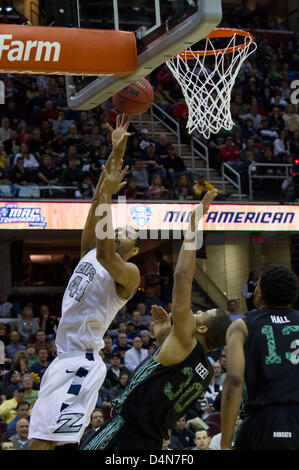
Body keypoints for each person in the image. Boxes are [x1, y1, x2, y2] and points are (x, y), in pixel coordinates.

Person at [81, 190, 232, 450]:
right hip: (150, 442)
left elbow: (183, 275)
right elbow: (166, 382)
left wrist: (194, 223)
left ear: (203, 328)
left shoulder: (186, 339)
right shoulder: (205, 373)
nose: (194, 314)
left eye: (200, 315)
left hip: (125, 433)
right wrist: (164, 337)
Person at [28, 114, 141, 450]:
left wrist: (108, 199)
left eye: (129, 233)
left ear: (133, 251)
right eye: (120, 227)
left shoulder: (127, 273)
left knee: (39, 443)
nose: (122, 229)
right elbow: (96, 202)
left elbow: (108, 253)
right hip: (63, 360)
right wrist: (116, 153)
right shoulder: (90, 251)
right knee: (56, 444)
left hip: (81, 361)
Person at [221, 264, 299, 450]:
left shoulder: (241, 326)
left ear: (259, 293)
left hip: (261, 423)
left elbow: (234, 380)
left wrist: (225, 443)